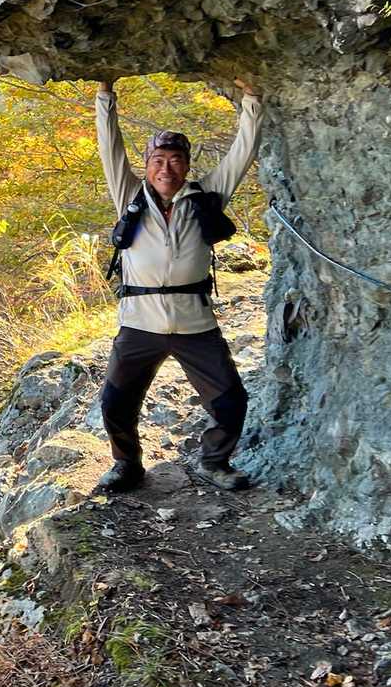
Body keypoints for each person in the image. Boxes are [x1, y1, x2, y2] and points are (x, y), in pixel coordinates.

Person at [93, 77, 264, 492]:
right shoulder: (129, 196)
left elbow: (242, 153)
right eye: (157, 161)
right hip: (139, 324)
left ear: (186, 165)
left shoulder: (207, 197)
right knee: (116, 402)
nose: (165, 168)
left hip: (195, 324)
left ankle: (214, 461)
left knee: (230, 401)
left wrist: (252, 101)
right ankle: (127, 464)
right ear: (146, 165)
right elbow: (109, 149)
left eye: (174, 160)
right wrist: (104, 95)